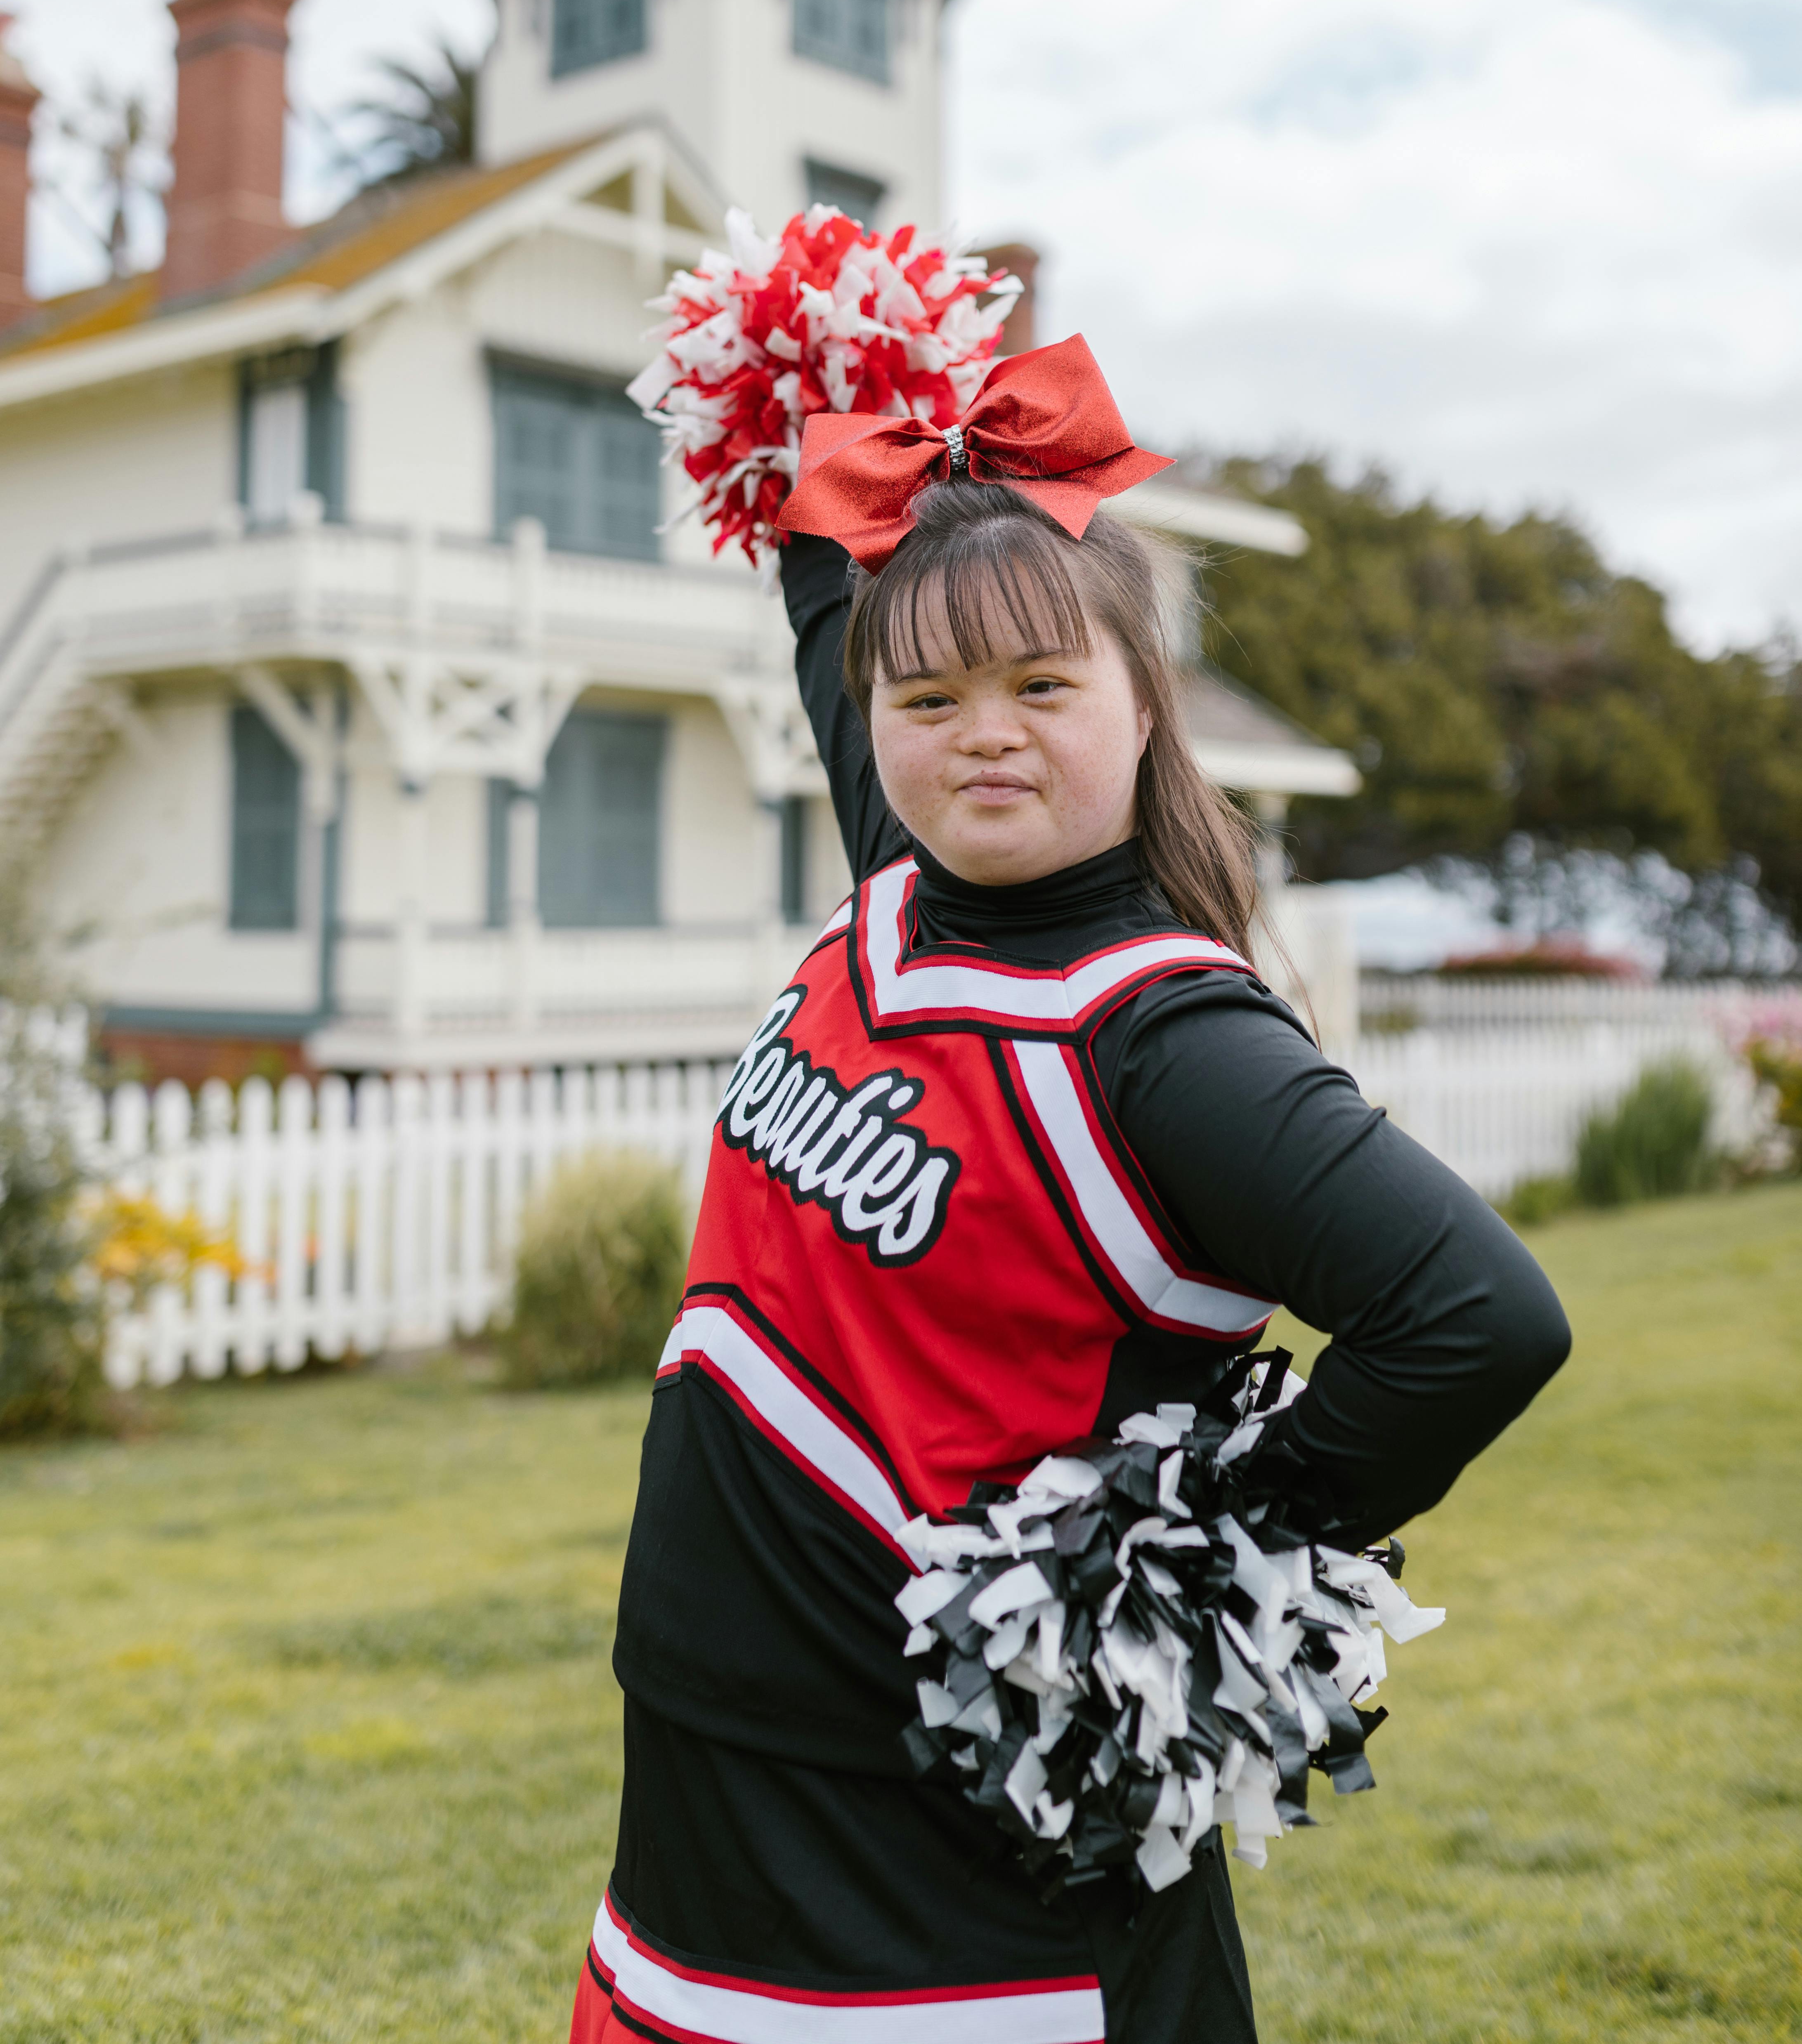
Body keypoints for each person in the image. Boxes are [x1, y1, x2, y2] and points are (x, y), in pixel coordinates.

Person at [572, 340, 1571, 2044]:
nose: (983, 741)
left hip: (952, 1836)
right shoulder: (898, 886)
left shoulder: (1165, 1041)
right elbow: (836, 564)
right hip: (698, 1759)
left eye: (1044, 686)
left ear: (1140, 700)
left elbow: (1479, 1320)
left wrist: (1190, 1550)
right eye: (931, 701)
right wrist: (823, 357)